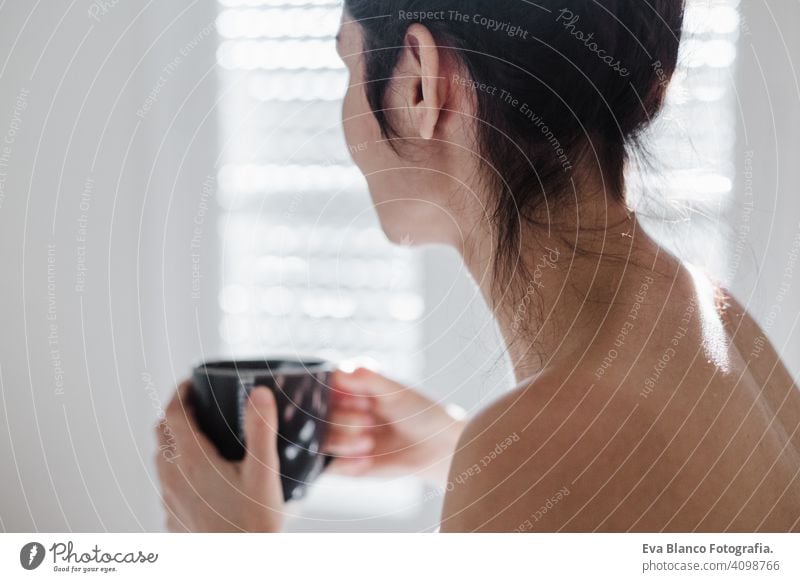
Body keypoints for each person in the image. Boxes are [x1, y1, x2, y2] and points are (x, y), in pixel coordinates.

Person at [155, 0, 800, 532]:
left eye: (346, 67)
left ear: (417, 84)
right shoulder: (716, 323)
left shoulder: (536, 465)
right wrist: (456, 450)